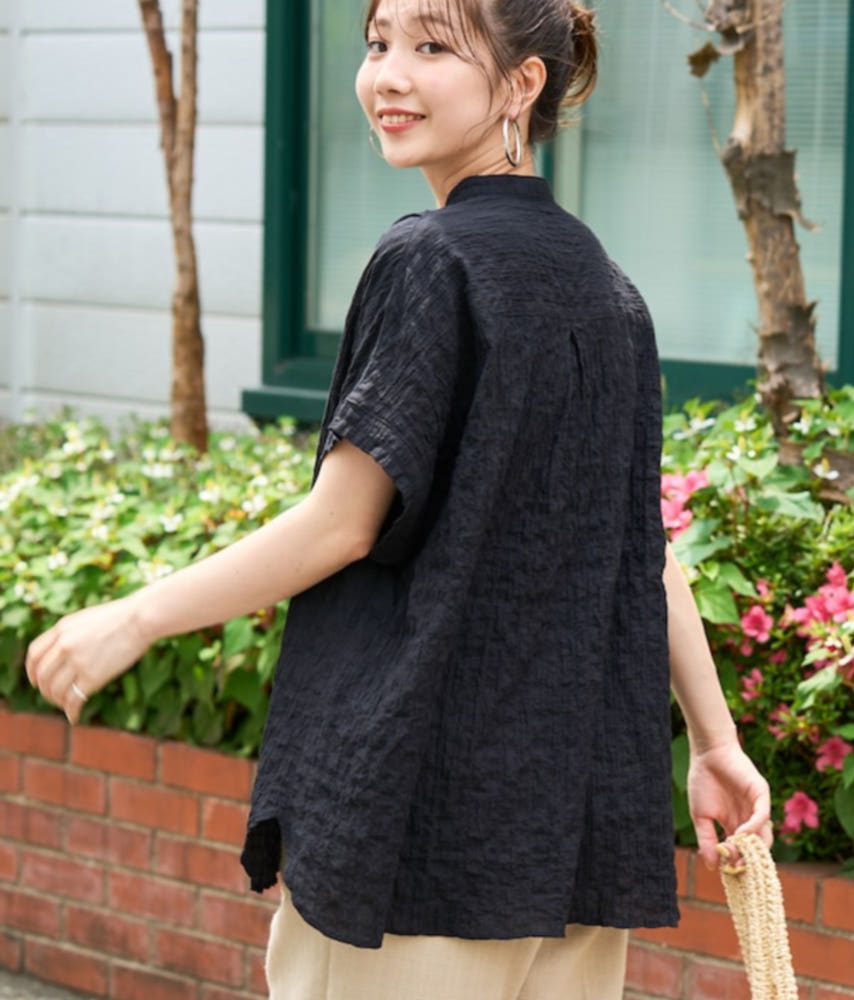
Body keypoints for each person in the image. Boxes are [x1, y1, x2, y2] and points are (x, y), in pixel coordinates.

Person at [26, 1, 772, 997]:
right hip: (565, 838)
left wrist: (134, 616)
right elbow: (639, 546)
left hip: (421, 838)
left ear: (521, 85)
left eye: (431, 47)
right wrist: (715, 743)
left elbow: (343, 523)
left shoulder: (431, 257)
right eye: (378, 42)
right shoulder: (609, 289)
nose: (389, 74)